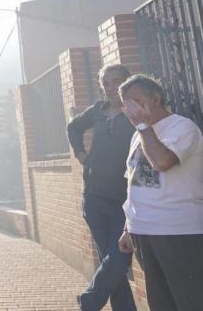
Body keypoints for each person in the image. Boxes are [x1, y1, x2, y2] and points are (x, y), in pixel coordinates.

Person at [117, 75, 203, 311]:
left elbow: (162, 161)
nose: (130, 110)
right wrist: (127, 226)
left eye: (135, 101)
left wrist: (144, 127)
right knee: (161, 303)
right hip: (143, 231)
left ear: (156, 98)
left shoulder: (183, 127)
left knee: (190, 301)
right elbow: (133, 183)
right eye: (126, 104)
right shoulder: (137, 135)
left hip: (178, 232)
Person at [66, 64, 137, 311]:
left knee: (118, 257)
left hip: (124, 200)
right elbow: (73, 127)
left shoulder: (135, 112)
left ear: (127, 81)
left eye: (116, 81)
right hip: (94, 197)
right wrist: (81, 154)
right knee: (111, 261)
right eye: (106, 83)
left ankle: (89, 301)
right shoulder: (97, 111)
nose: (110, 87)